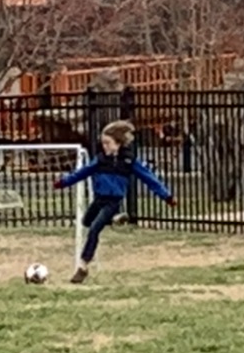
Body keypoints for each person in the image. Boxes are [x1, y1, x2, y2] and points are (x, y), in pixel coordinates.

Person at [53, 119, 176, 284]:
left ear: (118, 143)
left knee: (94, 229)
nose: (104, 146)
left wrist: (166, 196)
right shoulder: (100, 160)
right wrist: (63, 182)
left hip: (113, 202)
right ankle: (115, 219)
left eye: (107, 143)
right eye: (103, 143)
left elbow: (149, 178)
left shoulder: (129, 161)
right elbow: (82, 172)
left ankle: (83, 266)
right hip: (99, 199)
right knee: (86, 221)